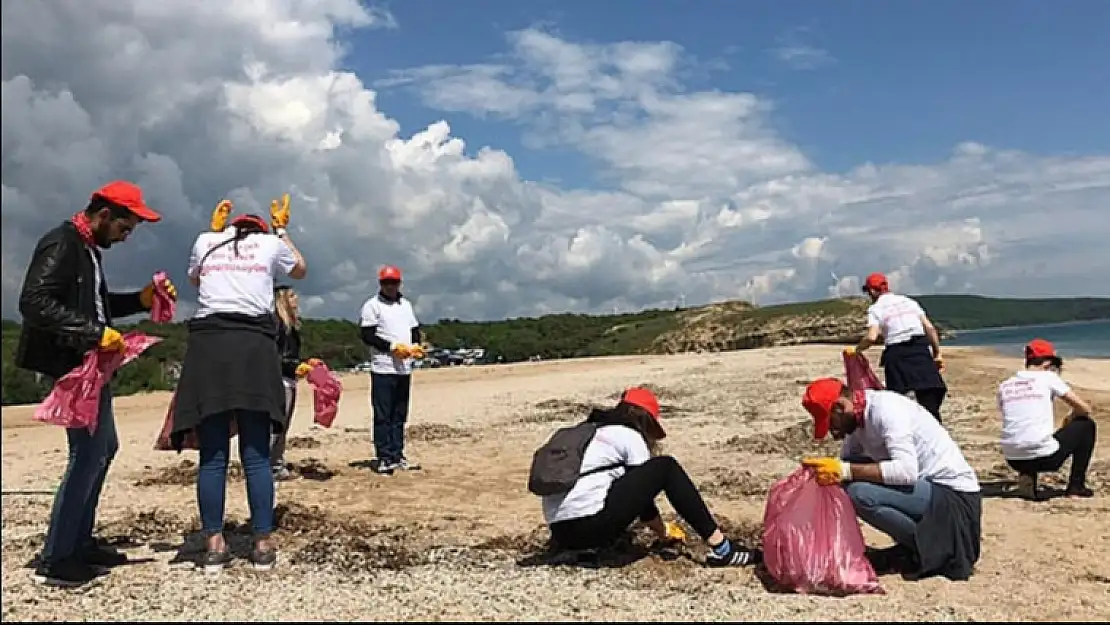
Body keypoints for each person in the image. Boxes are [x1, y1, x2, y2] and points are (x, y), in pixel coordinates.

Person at [16, 181, 176, 586]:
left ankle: (79, 543)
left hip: (90, 364)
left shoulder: (87, 249)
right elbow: (33, 301)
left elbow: (99, 304)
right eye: (126, 227)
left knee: (103, 448)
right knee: (88, 455)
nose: (126, 236)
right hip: (73, 366)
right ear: (104, 215)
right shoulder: (62, 243)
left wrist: (141, 300)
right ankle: (58, 556)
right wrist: (92, 333)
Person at [169, 194, 306, 573]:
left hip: (210, 345)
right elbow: (299, 269)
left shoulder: (205, 240)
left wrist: (211, 233)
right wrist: (282, 229)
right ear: (260, 230)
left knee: (213, 454)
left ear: (230, 229)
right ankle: (262, 542)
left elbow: (195, 279)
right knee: (256, 453)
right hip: (252, 345)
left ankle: (214, 544)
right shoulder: (270, 243)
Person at [541, 387, 762, 568]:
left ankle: (586, 549)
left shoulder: (590, 433)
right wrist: (664, 532)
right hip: (591, 526)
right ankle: (723, 548)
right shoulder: (628, 435)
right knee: (666, 467)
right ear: (645, 421)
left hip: (561, 533)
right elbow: (644, 504)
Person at [801, 378, 982, 580]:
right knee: (849, 484)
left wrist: (845, 471)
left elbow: (906, 471)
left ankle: (935, 546)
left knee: (859, 494)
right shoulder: (857, 423)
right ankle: (918, 544)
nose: (833, 433)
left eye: (832, 423)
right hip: (929, 493)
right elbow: (847, 462)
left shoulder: (886, 411)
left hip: (954, 498)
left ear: (841, 407)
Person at [998, 339, 1096, 499]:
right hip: (1044, 459)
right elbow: (1084, 409)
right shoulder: (1047, 377)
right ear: (1048, 363)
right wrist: (1070, 417)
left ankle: (1027, 476)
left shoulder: (1006, 385)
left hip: (1013, 459)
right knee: (1086, 425)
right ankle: (1076, 486)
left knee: (1026, 431)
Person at [847, 272, 948, 422]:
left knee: (897, 401)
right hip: (919, 349)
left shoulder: (876, 309)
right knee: (930, 399)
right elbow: (930, 328)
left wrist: (857, 350)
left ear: (873, 291)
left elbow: (871, 337)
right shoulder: (909, 302)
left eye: (868, 292)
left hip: (896, 353)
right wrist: (937, 353)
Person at [358, 265, 425, 475]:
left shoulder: (405, 305)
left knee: (399, 414)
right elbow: (367, 335)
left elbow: (414, 329)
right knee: (383, 415)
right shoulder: (372, 306)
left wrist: (415, 346)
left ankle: (397, 454)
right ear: (381, 284)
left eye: (394, 282)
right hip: (383, 367)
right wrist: (390, 347)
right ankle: (384, 456)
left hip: (404, 369)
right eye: (386, 283)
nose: (390, 286)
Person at [270, 285, 321, 481]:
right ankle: (268, 465)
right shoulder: (277, 324)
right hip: (279, 381)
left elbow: (291, 354)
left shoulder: (291, 326)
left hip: (289, 379)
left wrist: (305, 363)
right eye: (291, 296)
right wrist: (294, 366)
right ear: (282, 299)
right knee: (276, 426)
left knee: (283, 426)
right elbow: (274, 355)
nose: (296, 299)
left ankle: (276, 465)